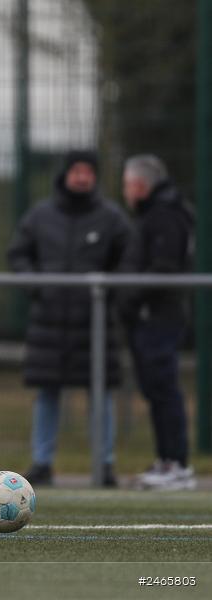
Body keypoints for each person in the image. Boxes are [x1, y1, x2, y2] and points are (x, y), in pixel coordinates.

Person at [8, 150, 134, 487]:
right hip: (48, 323)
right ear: (65, 175)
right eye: (76, 171)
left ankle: (104, 465)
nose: (81, 177)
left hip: (94, 323)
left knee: (100, 394)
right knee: (47, 393)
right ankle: (42, 463)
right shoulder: (40, 216)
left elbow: (128, 259)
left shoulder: (111, 218)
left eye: (88, 171)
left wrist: (107, 292)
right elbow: (19, 255)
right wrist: (37, 288)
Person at [119, 154, 196, 490]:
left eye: (126, 184)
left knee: (164, 390)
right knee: (155, 390)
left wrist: (131, 297)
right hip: (149, 317)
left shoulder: (164, 216)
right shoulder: (154, 214)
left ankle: (177, 464)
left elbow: (163, 269)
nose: (125, 191)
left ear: (138, 185)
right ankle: (167, 460)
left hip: (159, 316)